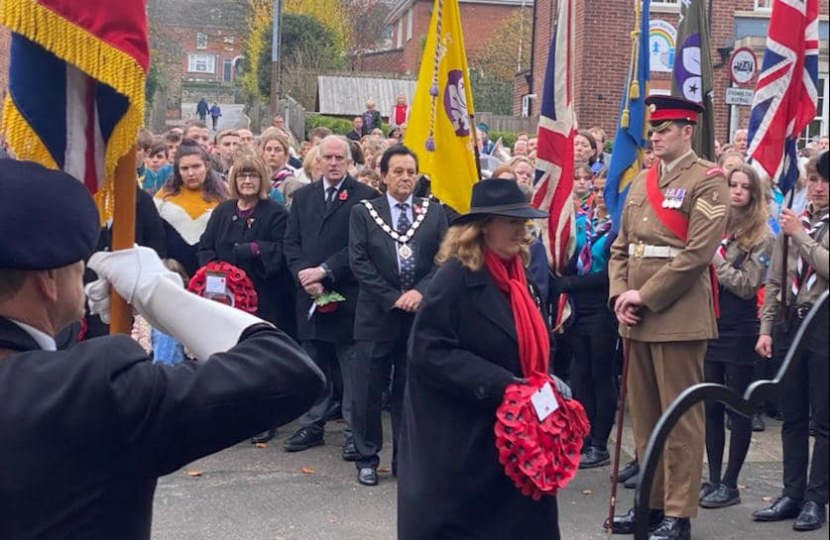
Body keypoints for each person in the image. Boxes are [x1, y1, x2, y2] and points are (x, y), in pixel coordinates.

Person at [0, 160, 324, 539]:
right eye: (78, 264)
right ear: (47, 281)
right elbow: (288, 371)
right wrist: (164, 298)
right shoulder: (92, 387)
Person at [398, 178, 567, 540]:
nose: (523, 232)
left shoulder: (520, 276)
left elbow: (532, 341)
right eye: (513, 223)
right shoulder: (455, 278)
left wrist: (548, 381)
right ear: (484, 226)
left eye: (525, 223)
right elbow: (428, 351)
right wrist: (504, 385)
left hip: (517, 439)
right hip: (465, 442)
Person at [606, 96, 729, 540]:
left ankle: (679, 512)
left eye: (664, 129)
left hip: (677, 314)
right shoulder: (641, 181)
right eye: (653, 131)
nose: (654, 137)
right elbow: (620, 245)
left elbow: (697, 254)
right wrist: (620, 292)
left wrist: (645, 294)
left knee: (680, 419)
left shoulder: (708, 181)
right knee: (645, 416)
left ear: (687, 131)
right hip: (635, 314)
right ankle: (651, 506)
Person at [348, 146, 448, 487]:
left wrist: (420, 291)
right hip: (376, 315)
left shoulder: (433, 214)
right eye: (398, 171)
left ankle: (405, 459)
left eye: (411, 171)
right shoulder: (364, 213)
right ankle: (366, 457)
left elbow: (443, 258)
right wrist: (394, 297)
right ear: (384, 176)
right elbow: (359, 261)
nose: (406, 178)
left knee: (408, 391)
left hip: (418, 315)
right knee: (368, 391)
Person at [283, 135, 378, 456]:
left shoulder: (365, 197)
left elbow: (361, 247)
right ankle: (312, 424)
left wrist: (325, 270)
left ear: (350, 162)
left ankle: (354, 431)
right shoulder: (304, 197)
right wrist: (303, 275)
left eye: (340, 158)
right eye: (329, 158)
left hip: (347, 295)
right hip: (308, 295)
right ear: (318, 160)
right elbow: (291, 243)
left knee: (351, 368)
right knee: (313, 364)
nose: (334, 163)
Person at [753, 151, 828, 532]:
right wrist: (766, 329)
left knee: (824, 420)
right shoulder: (795, 222)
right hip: (789, 324)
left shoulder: (802, 227)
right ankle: (792, 493)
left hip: (824, 327)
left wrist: (800, 234)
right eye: (813, 179)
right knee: (792, 416)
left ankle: (817, 500)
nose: (818, 188)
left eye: (825, 181)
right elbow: (776, 281)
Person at [699, 165, 774, 509]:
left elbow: (747, 286)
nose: (738, 191)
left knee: (738, 408)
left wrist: (715, 260)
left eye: (745, 187)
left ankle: (731, 483)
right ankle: (713, 477)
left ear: (754, 194)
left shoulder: (763, 235)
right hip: (710, 323)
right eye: (733, 185)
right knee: (710, 405)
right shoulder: (717, 224)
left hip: (740, 328)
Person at [557, 171, 617, 469]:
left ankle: (600, 443)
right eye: (596, 188)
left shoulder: (618, 227)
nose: (600, 194)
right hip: (578, 309)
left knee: (600, 373)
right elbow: (569, 256)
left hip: (602, 307)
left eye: (607, 189)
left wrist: (568, 284)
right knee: (579, 372)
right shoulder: (583, 221)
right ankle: (583, 435)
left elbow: (610, 274)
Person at [155, 140, 228, 275]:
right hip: (172, 275)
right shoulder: (163, 198)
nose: (191, 173)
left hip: (213, 274)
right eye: (185, 168)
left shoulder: (224, 197)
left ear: (206, 166)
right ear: (178, 170)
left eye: (196, 166)